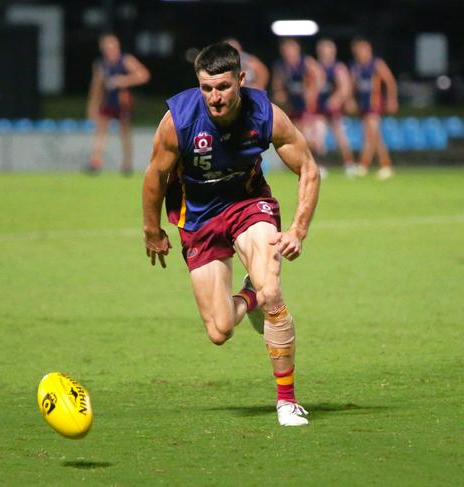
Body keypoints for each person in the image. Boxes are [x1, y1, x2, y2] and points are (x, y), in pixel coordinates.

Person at [142, 42, 320, 426]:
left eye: (222, 87)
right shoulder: (180, 120)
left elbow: (308, 167)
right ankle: (251, 294)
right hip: (199, 220)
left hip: (247, 206)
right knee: (220, 330)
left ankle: (287, 401)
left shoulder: (265, 114)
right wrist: (151, 228)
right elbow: (155, 175)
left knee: (273, 291)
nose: (214, 97)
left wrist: (298, 231)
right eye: (206, 88)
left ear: (241, 80)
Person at [87, 33, 150, 174]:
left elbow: (144, 75)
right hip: (107, 101)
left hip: (123, 102)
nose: (110, 49)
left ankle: (127, 164)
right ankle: (96, 161)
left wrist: (124, 80)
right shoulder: (101, 64)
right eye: (107, 46)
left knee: (125, 132)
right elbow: (96, 86)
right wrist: (92, 105)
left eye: (112, 45)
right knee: (100, 130)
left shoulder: (126, 60)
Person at [271, 38, 326, 176]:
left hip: (308, 107)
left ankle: (318, 165)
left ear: (297, 50)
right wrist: (279, 94)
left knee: (310, 137)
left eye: (291, 49)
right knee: (296, 138)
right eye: (286, 50)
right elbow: (277, 85)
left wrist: (312, 91)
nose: (289, 53)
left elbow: (320, 76)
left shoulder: (306, 62)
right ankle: (300, 165)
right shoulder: (281, 66)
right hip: (292, 108)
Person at [349, 37, 398, 180]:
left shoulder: (376, 64)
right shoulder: (356, 67)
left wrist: (391, 99)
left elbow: (390, 81)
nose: (360, 53)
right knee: (373, 136)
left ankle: (370, 165)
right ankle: (380, 166)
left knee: (372, 134)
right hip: (363, 105)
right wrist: (352, 100)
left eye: (362, 49)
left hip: (375, 104)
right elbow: (353, 86)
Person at [315, 38, 356, 176]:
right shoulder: (315, 67)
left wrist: (336, 99)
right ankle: (321, 165)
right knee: (318, 138)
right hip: (319, 109)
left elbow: (345, 87)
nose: (326, 53)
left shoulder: (338, 68)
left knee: (341, 138)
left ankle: (349, 164)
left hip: (335, 110)